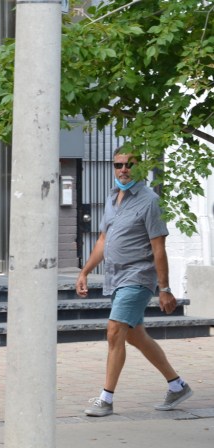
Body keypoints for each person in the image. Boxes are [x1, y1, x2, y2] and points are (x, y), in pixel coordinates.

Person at [76, 147, 193, 417]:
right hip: (115, 277)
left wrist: (164, 288)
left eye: (130, 164)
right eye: (118, 165)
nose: (124, 170)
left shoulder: (150, 201)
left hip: (138, 276)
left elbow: (158, 248)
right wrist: (84, 272)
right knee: (135, 335)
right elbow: (103, 241)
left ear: (140, 167)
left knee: (115, 331)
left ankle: (106, 399)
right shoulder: (111, 198)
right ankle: (177, 385)